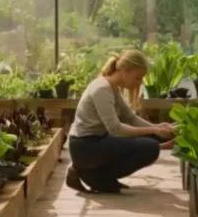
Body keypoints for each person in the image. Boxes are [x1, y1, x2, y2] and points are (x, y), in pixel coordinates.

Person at [66, 49, 175, 194]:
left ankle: (99, 178)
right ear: (125, 71)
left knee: (154, 138)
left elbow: (130, 118)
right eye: (138, 77)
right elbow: (115, 128)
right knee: (150, 146)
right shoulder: (101, 89)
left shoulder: (113, 88)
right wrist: (154, 130)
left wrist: (157, 128)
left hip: (97, 141)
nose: (140, 82)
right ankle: (91, 174)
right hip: (84, 147)